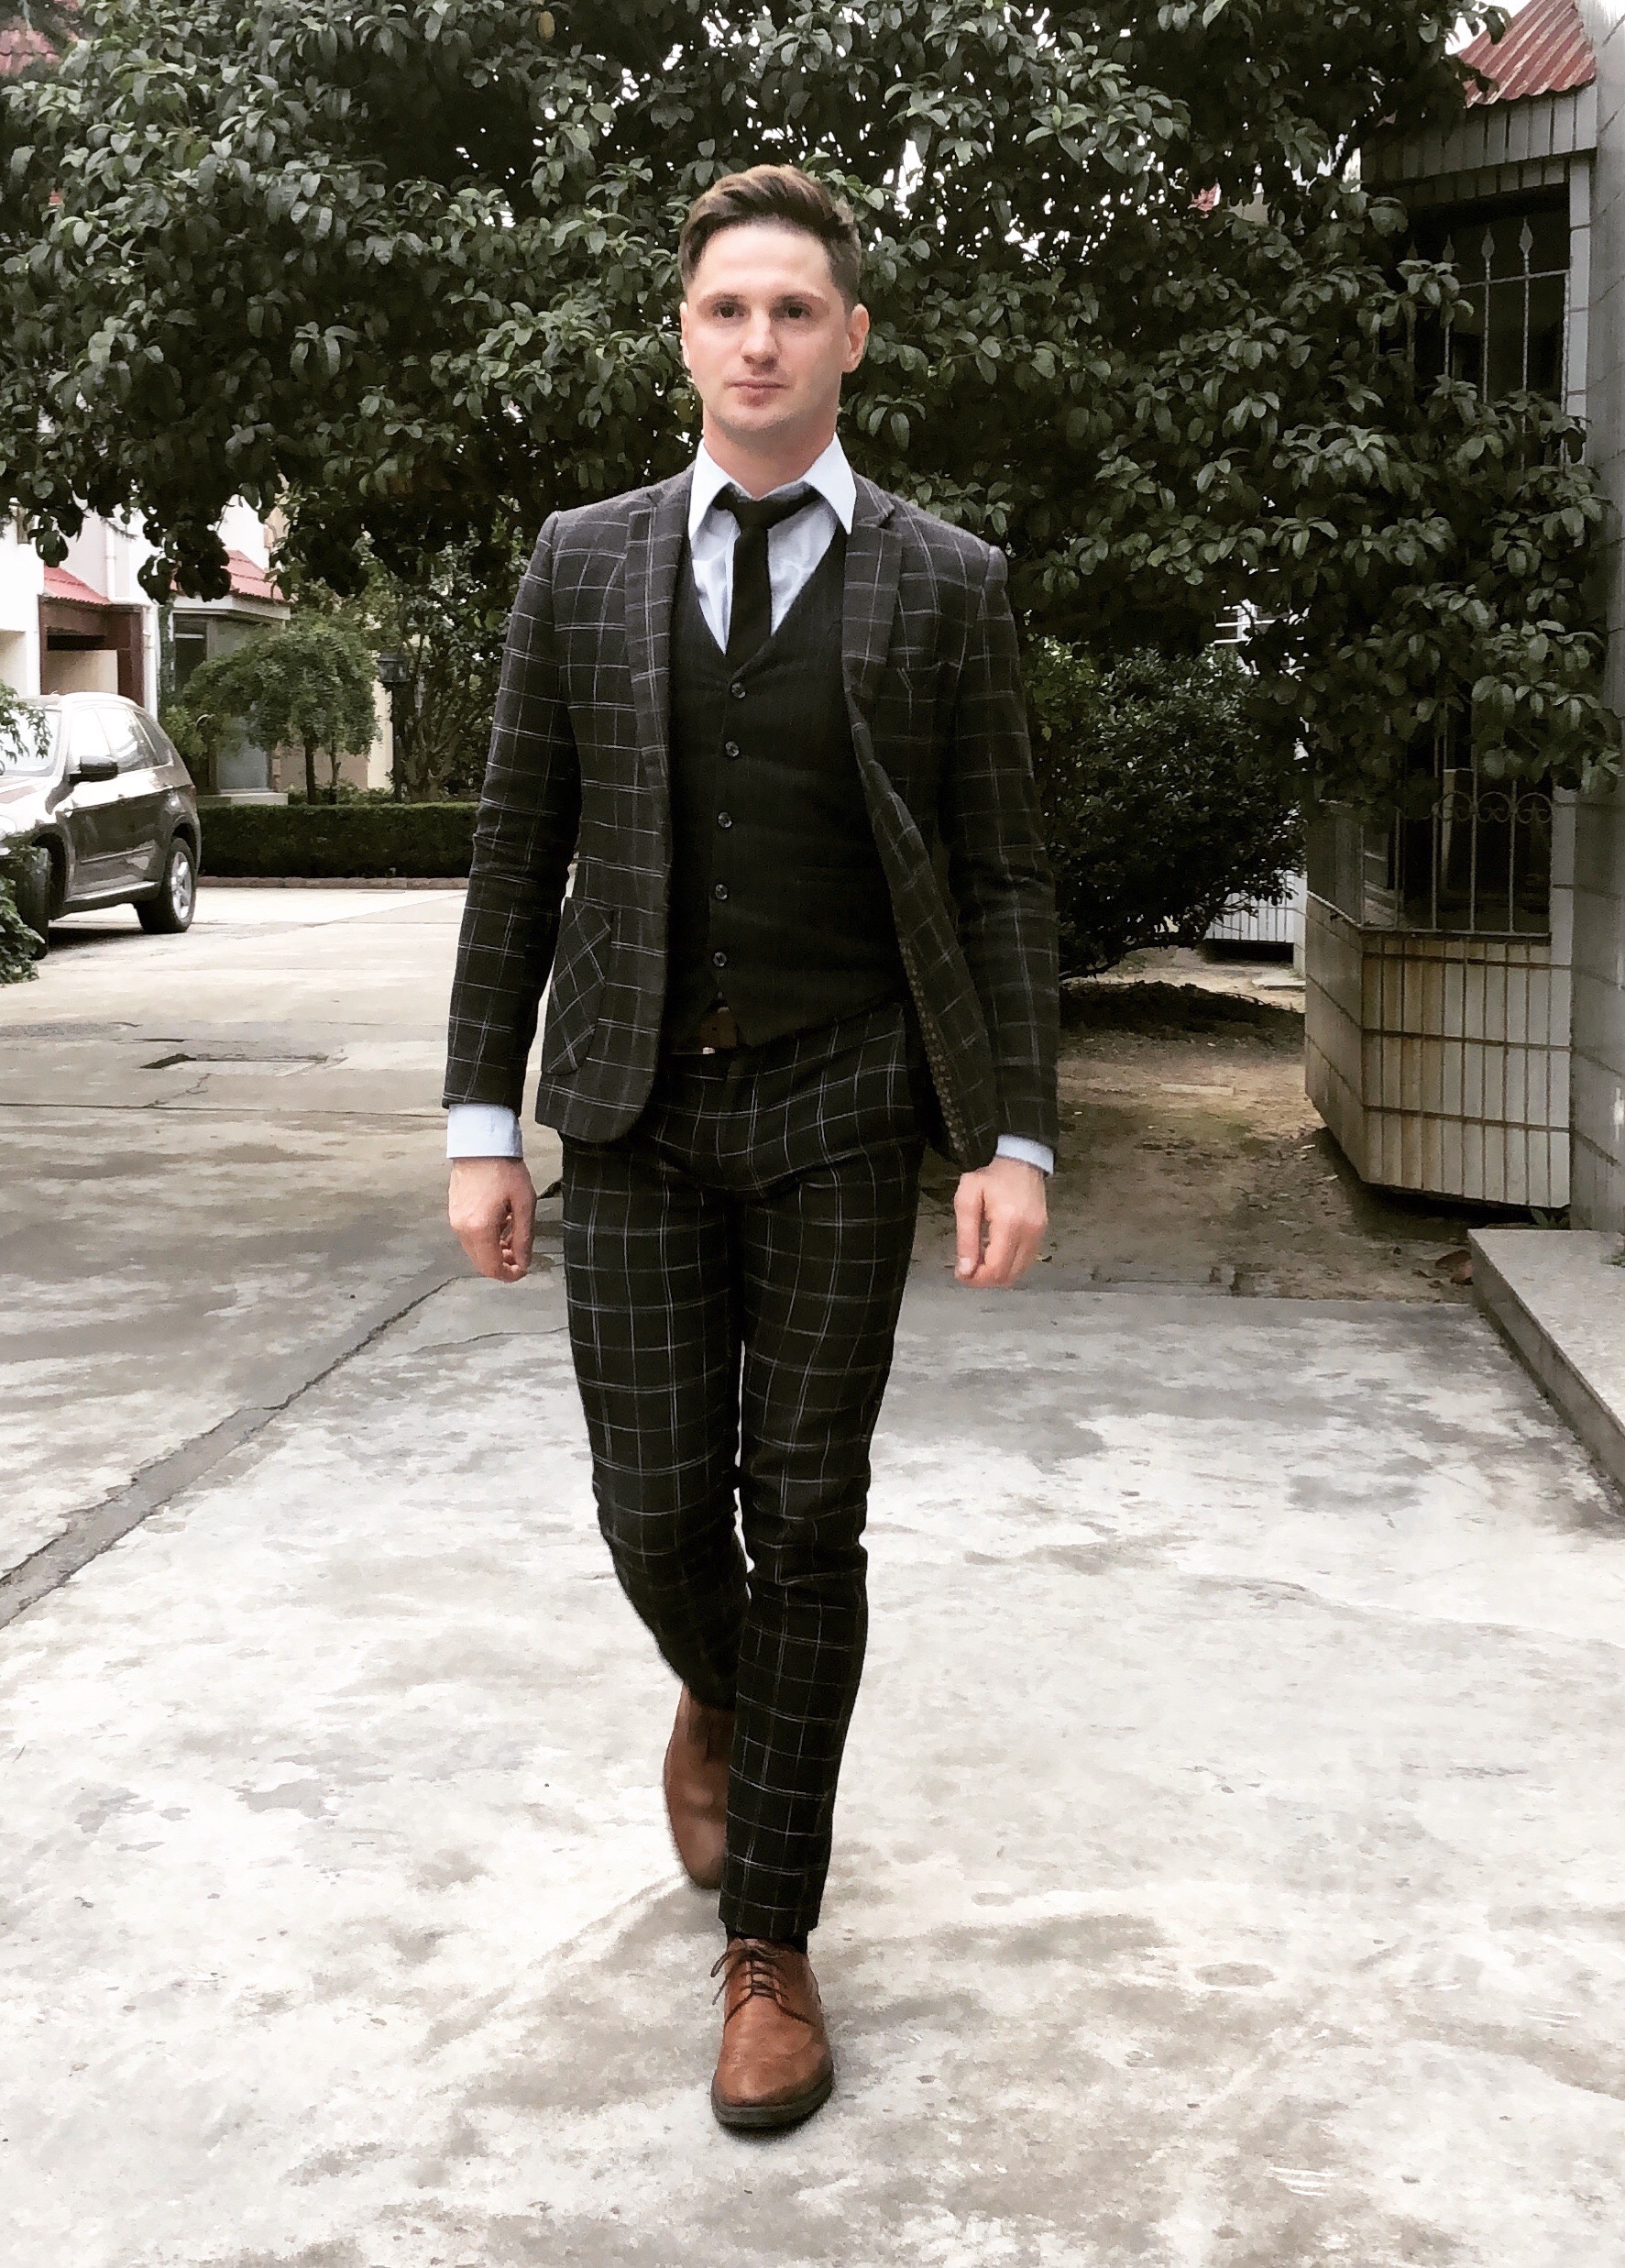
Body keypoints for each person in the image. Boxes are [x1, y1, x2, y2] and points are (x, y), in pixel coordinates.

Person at [443, 163, 1058, 2132]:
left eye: (796, 309)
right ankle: (723, 1689)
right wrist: (480, 1121)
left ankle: (768, 1944)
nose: (761, 340)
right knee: (652, 1512)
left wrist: (1011, 1134)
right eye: (728, 309)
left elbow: (1001, 876)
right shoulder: (581, 562)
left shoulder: (946, 581)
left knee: (804, 1517)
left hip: (838, 1103)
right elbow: (516, 853)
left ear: (849, 338)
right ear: (685, 336)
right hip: (629, 1106)